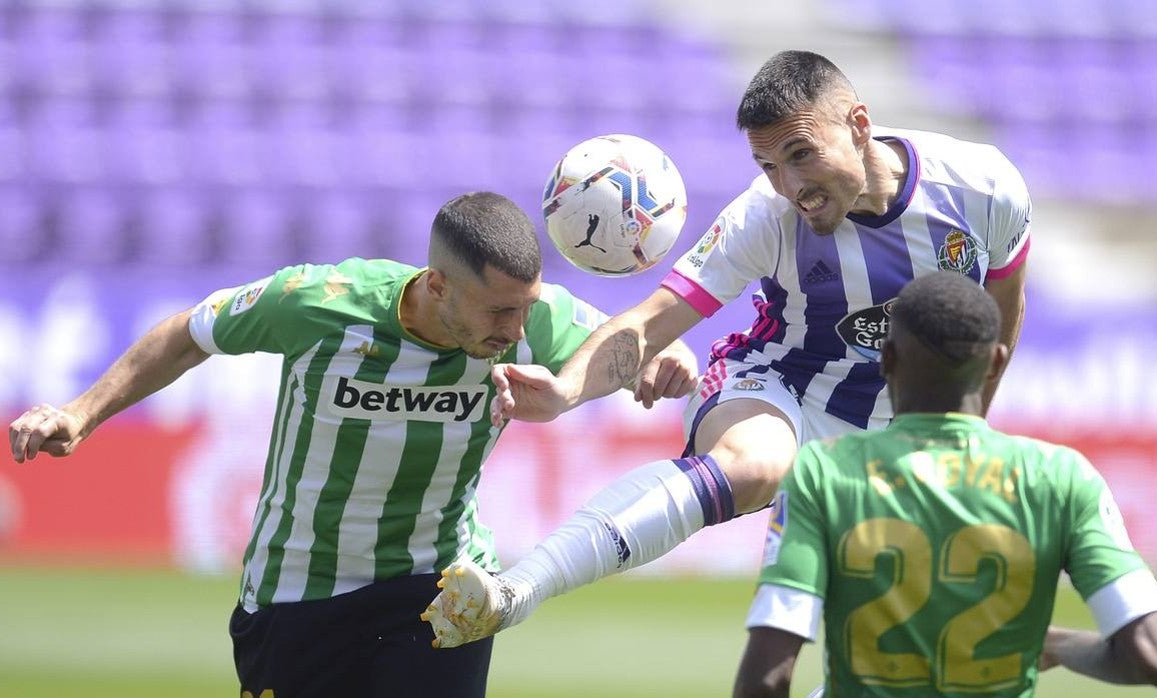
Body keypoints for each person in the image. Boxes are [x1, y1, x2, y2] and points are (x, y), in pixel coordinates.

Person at [422, 50, 1031, 648]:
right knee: (753, 465)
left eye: (801, 155)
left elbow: (999, 320)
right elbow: (652, 321)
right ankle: (515, 592)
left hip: (892, 429)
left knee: (918, 642)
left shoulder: (982, 187)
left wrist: (965, 431)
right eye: (769, 166)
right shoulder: (763, 217)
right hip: (781, 384)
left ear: (860, 125)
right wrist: (567, 392)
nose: (792, 187)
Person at [6, 192, 698, 698]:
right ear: (436, 285)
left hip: (440, 587)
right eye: (498, 311)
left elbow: (629, 344)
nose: (517, 328)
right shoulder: (320, 303)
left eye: (526, 307)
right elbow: (192, 331)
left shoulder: (528, 318)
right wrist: (81, 412)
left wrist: (667, 364)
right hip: (298, 592)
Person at [732, 272, 1157, 697]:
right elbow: (1154, 657)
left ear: (886, 359)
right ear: (996, 361)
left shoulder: (824, 472)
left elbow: (766, 680)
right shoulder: (1062, 477)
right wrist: (1059, 645)